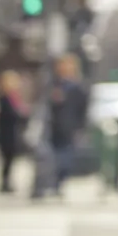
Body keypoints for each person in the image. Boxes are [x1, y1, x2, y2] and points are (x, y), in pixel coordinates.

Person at [49, 54, 89, 196]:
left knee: (66, 160)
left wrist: (80, 128)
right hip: (53, 128)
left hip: (70, 128)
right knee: (53, 158)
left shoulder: (78, 87)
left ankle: (59, 182)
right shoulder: (54, 84)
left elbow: (83, 109)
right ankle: (54, 183)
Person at [0, 70, 28, 193]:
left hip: (13, 133)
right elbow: (10, 115)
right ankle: (5, 183)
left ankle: (7, 182)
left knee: (10, 160)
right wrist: (21, 114)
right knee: (6, 160)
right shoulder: (4, 98)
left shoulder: (14, 97)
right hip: (6, 134)